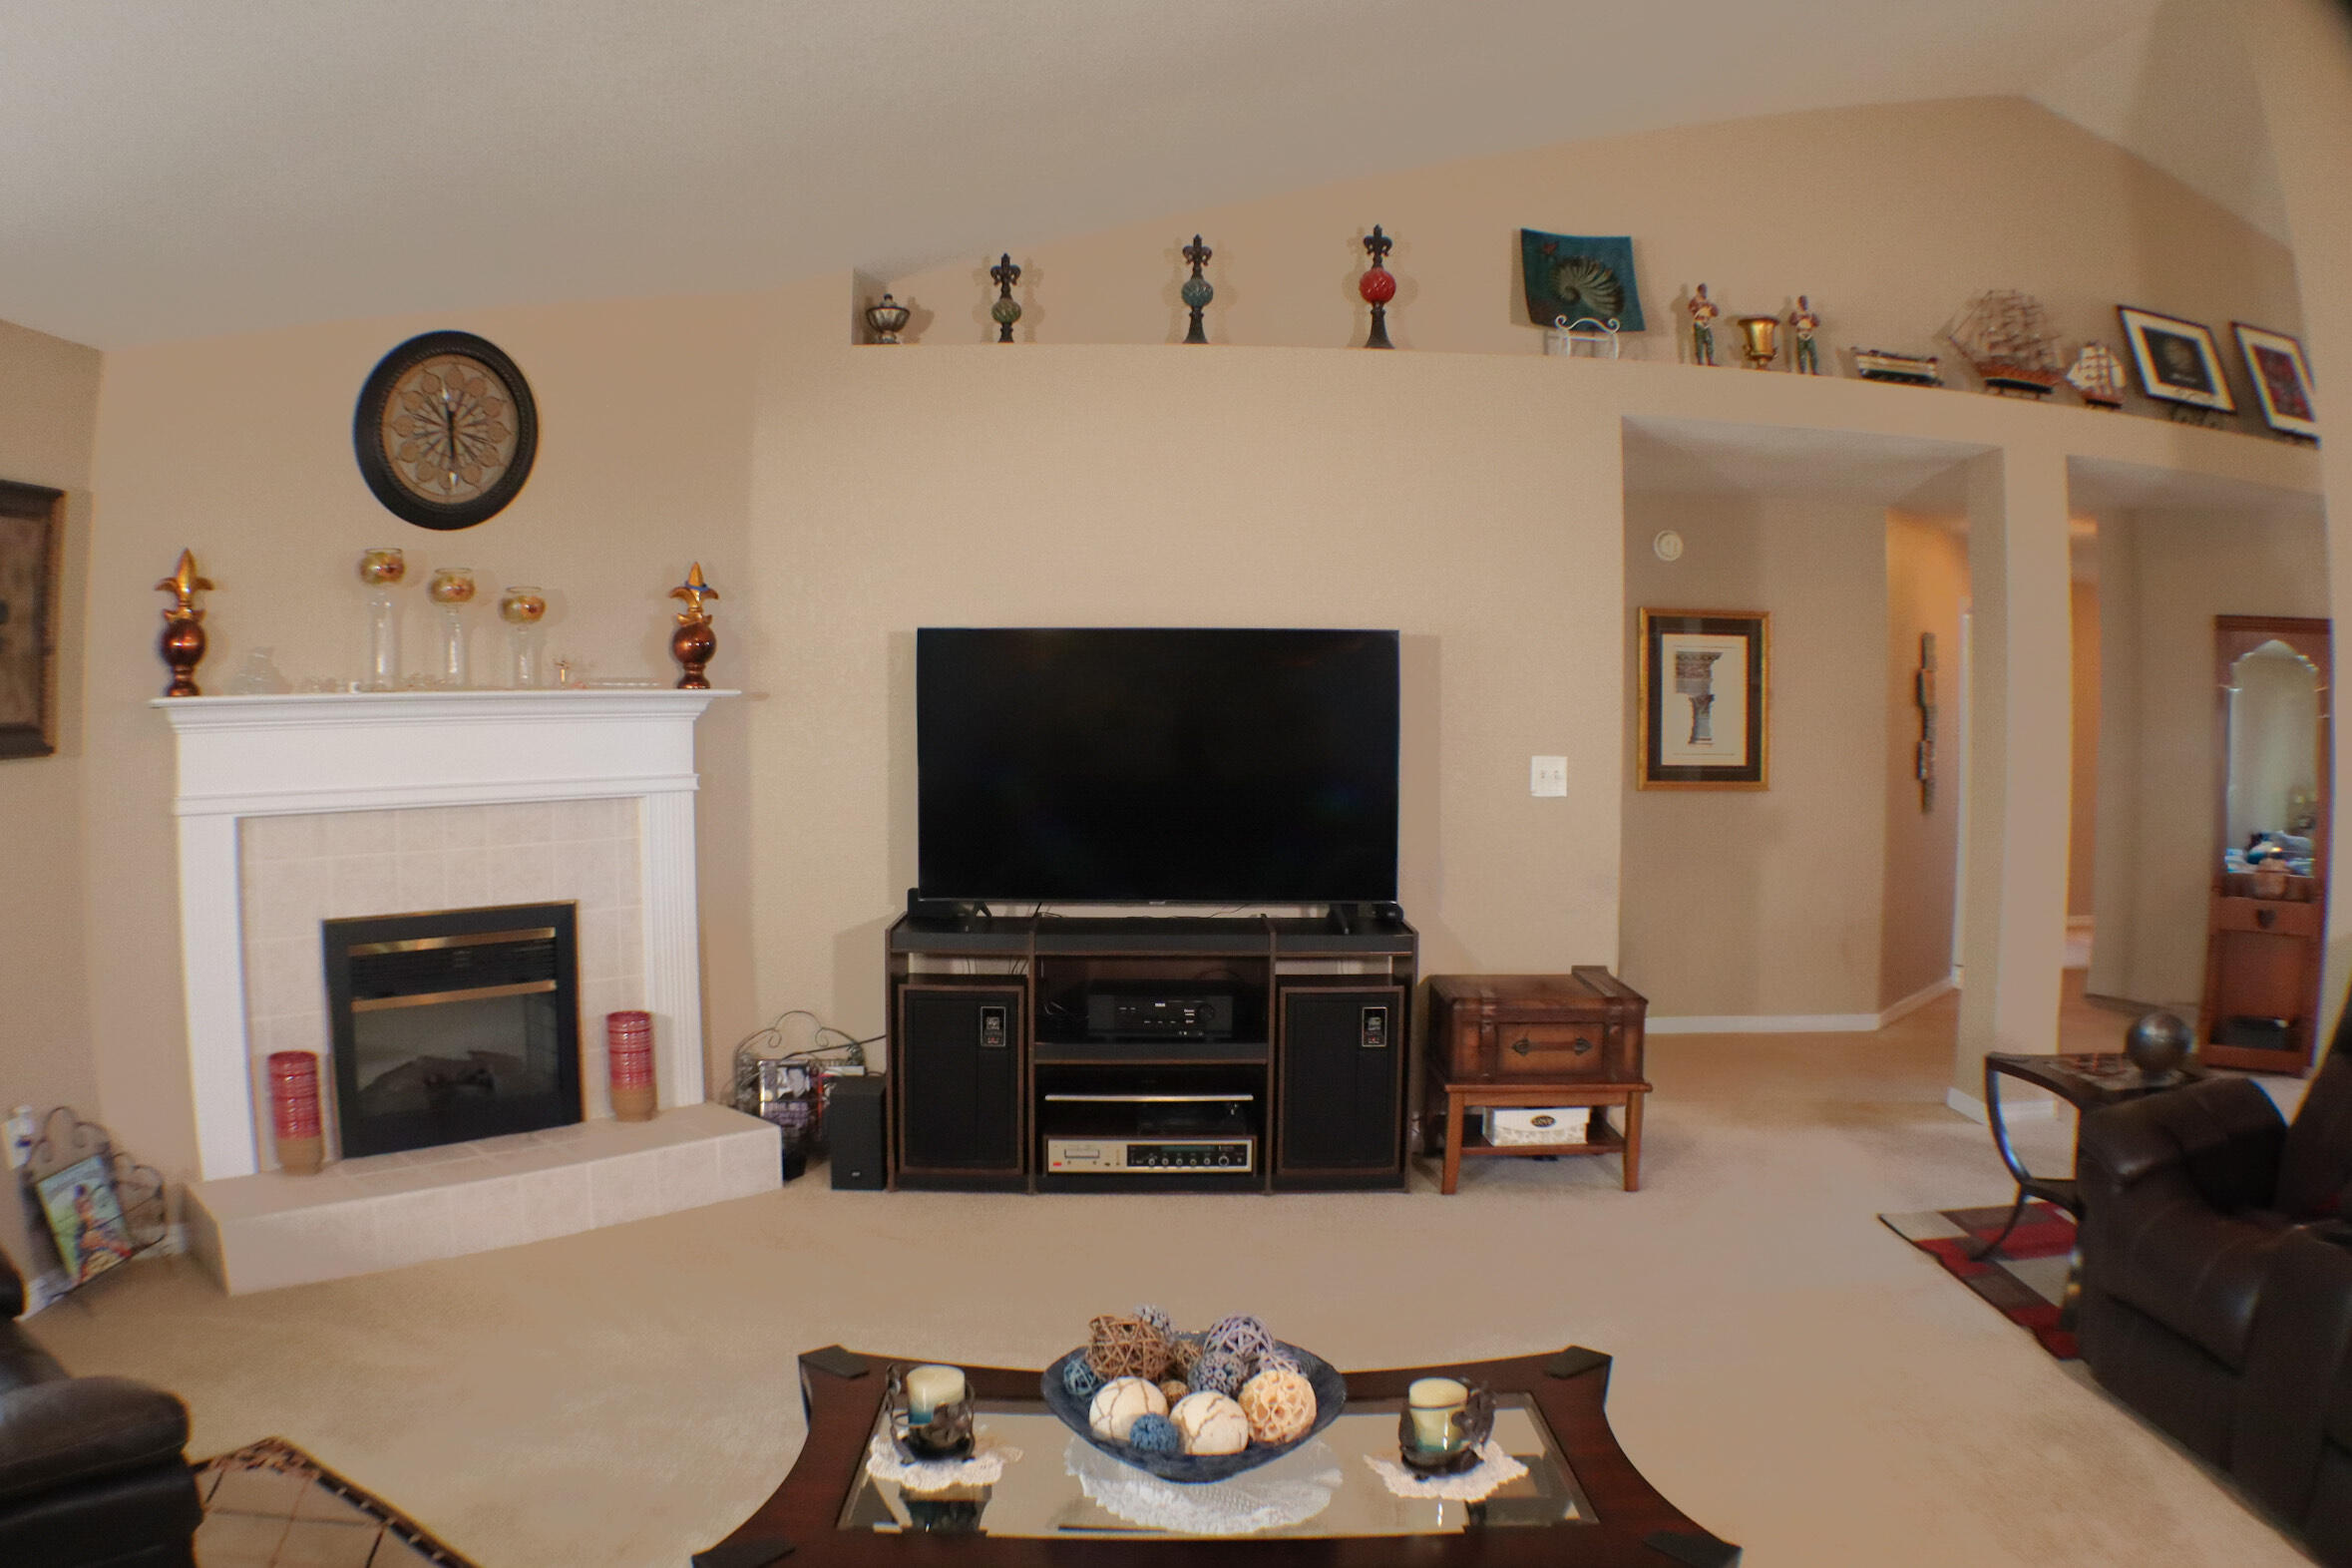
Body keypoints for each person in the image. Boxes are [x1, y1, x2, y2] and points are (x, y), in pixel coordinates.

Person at [1789, 296, 1821, 375]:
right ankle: (1802, 371)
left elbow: (1817, 323)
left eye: (1805, 302)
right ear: (1799, 303)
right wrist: (1799, 318)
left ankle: (1814, 370)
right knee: (1801, 354)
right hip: (1800, 334)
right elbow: (1791, 321)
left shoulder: (1810, 312)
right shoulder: (1796, 312)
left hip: (1809, 334)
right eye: (1802, 302)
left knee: (1813, 353)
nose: (1804, 304)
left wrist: (1811, 319)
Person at [1689, 284, 1719, 366]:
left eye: (1705, 291)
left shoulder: (1707, 301)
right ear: (1699, 291)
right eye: (1703, 290)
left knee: (1709, 341)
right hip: (1698, 323)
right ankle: (1699, 360)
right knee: (1699, 342)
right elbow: (1692, 309)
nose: (1704, 292)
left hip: (1706, 323)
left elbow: (1715, 312)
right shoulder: (1695, 300)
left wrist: (1711, 307)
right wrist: (1701, 307)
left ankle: (1710, 360)